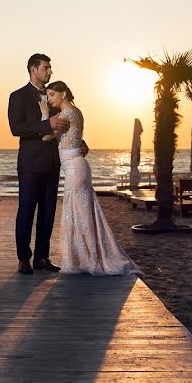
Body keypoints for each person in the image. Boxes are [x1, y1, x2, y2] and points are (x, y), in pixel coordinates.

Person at [45, 81, 141, 276]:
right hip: (78, 166)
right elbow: (76, 139)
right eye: (48, 95)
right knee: (81, 212)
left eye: (52, 94)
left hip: (74, 168)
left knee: (79, 213)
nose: (49, 99)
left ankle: (89, 259)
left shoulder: (65, 114)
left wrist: (44, 116)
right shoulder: (76, 111)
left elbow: (46, 137)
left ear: (63, 94)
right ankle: (86, 257)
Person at [7, 53, 69, 274]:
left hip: (52, 163)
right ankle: (23, 258)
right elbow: (17, 128)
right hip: (30, 164)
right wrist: (46, 125)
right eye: (46, 68)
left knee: (48, 211)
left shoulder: (53, 97)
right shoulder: (18, 96)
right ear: (34, 70)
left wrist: (80, 142)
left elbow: (65, 123)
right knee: (26, 211)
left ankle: (42, 257)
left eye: (50, 68)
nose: (50, 72)